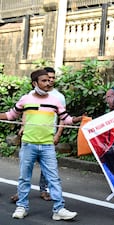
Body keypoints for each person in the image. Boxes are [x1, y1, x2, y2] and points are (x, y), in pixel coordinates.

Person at [0, 69, 82, 220]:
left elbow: (66, 118)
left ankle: (59, 209)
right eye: (43, 81)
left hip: (47, 145)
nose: (48, 83)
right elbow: (11, 115)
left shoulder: (55, 101)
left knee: (54, 178)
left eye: (49, 80)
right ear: (34, 83)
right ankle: (22, 206)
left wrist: (77, 119)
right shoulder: (25, 99)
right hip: (28, 144)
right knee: (25, 177)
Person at [10, 67, 66, 203]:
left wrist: (58, 134)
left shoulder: (58, 97)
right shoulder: (28, 96)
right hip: (30, 140)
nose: (50, 81)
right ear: (36, 82)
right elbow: (23, 112)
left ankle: (47, 194)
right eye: (46, 79)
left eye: (52, 78)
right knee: (25, 173)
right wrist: (23, 127)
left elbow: (64, 117)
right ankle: (21, 202)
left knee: (50, 173)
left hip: (47, 138)